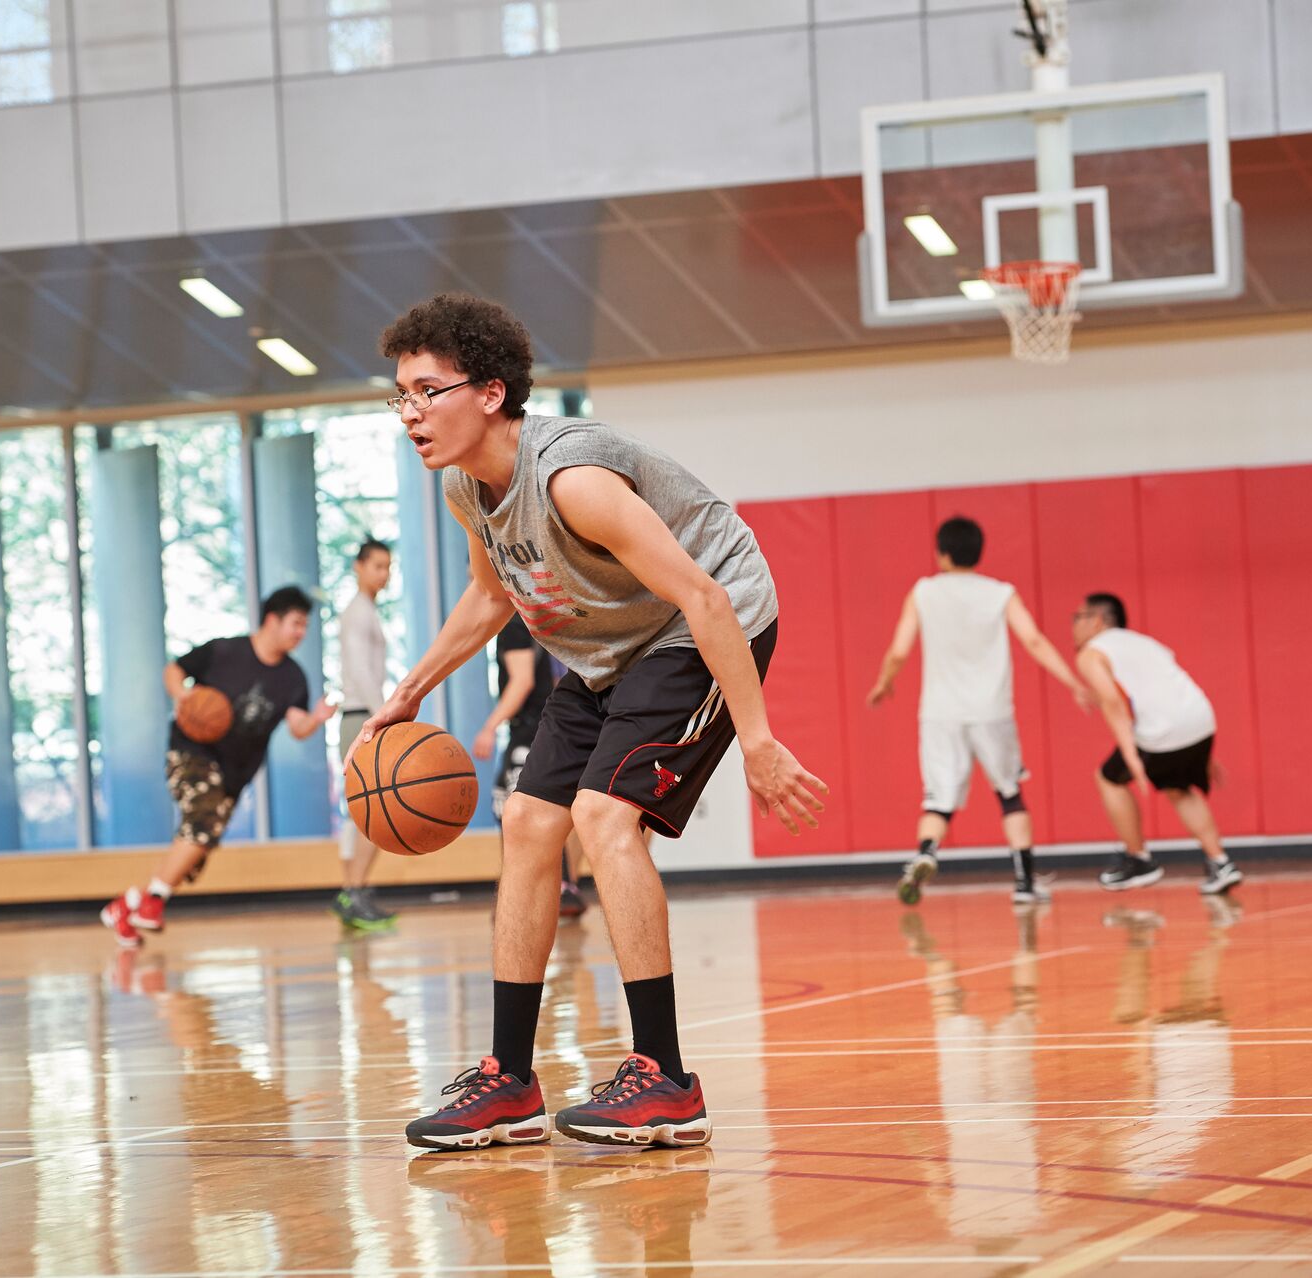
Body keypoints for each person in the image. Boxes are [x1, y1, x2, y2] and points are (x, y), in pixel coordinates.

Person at [361, 292, 828, 1151]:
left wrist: (757, 740)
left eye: (427, 392)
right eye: (401, 396)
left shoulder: (572, 478)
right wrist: (413, 688)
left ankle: (666, 1079)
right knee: (529, 822)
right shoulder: (470, 487)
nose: (411, 414)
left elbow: (705, 593)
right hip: (605, 644)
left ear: (490, 392)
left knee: (604, 817)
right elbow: (492, 592)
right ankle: (508, 1081)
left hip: (698, 627)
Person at [867, 516, 1090, 906]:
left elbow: (900, 650)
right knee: (1009, 794)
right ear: (978, 552)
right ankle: (1024, 884)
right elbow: (1034, 641)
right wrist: (1073, 683)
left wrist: (885, 682)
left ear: (942, 552)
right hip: (992, 711)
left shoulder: (924, 592)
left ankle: (925, 853)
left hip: (940, 713)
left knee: (938, 798)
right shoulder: (1000, 593)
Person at [100, 586, 336, 946]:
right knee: (204, 822)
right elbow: (174, 671)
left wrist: (317, 719)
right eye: (296, 624)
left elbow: (298, 726)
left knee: (194, 853)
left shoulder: (293, 678)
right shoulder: (225, 650)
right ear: (272, 620)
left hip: (233, 774)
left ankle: (127, 906)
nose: (301, 633)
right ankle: (153, 902)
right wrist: (184, 696)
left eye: (305, 626)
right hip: (191, 752)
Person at [1072, 592, 1243, 895]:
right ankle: (1221, 863)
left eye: (1077, 618)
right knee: (1179, 789)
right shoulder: (1145, 642)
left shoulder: (1091, 653)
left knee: (1109, 779)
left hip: (1163, 731)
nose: (1073, 626)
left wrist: (1131, 755)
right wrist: (1204, 751)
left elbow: (1112, 703)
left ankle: (1139, 860)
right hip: (1200, 719)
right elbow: (1173, 685)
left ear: (1096, 620)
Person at [473, 614, 594, 918]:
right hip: (547, 724)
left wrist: (489, 726)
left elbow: (522, 680)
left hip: (531, 728)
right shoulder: (533, 620)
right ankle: (564, 886)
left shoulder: (512, 625)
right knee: (549, 803)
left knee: (513, 803)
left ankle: (537, 892)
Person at [334, 538, 399, 930]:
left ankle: (353, 891)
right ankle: (353, 893)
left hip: (361, 715)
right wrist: (383, 716)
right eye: (377, 565)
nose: (384, 573)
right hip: (361, 716)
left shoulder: (366, 611)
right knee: (371, 813)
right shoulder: (357, 613)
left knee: (364, 813)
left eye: (388, 566)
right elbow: (360, 671)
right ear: (358, 566)